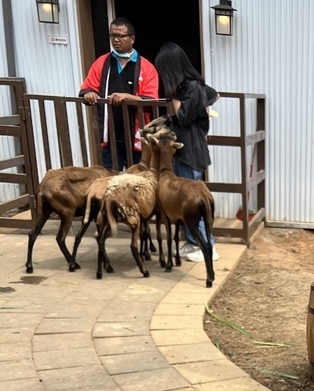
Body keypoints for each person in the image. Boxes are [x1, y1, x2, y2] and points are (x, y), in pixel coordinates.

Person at [154, 42, 220, 262]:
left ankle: (205, 246)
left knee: (192, 202)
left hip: (191, 152)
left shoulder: (190, 87)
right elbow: (214, 95)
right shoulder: (192, 87)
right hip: (188, 151)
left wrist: (174, 96)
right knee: (188, 200)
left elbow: (183, 117)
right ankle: (195, 243)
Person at [79, 18, 159, 171]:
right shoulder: (102, 63)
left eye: (121, 36)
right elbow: (87, 87)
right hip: (110, 134)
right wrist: (89, 93)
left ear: (132, 38)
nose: (116, 40)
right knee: (109, 179)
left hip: (137, 135)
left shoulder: (147, 67)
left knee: (136, 181)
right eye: (112, 35)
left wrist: (127, 97)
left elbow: (151, 101)